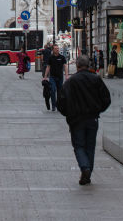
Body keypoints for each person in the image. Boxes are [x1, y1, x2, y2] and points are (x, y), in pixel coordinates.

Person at [58, 55, 112, 186]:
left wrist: (68, 114)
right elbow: (106, 99)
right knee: (90, 146)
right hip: (92, 118)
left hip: (76, 119)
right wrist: (98, 110)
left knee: (79, 146)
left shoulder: (70, 82)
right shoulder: (96, 79)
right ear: (88, 65)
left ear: (77, 66)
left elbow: (60, 102)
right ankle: (87, 173)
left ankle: (85, 168)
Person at [42, 44, 68, 111]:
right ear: (53, 50)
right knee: (53, 90)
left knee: (59, 92)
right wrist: (45, 76)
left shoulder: (62, 57)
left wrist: (66, 75)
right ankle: (53, 105)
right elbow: (48, 67)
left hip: (60, 77)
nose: (57, 49)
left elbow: (65, 66)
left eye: (58, 48)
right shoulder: (50, 58)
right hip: (52, 77)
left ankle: (58, 105)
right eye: (56, 48)